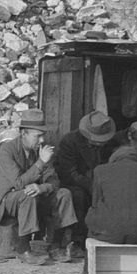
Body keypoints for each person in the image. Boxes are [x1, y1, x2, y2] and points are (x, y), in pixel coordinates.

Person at [0, 109, 78, 264]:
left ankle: (56, 246)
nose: (42, 140)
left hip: (33, 197)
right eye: (38, 136)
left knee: (64, 194)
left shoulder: (40, 151)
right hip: (6, 200)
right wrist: (41, 163)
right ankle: (24, 250)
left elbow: (55, 181)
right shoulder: (7, 150)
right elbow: (18, 184)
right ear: (24, 134)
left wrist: (41, 188)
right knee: (27, 195)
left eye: (43, 136)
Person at [55, 110, 117, 257]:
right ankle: (78, 241)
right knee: (79, 196)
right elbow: (70, 174)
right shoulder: (69, 142)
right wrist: (93, 187)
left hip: (99, 183)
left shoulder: (112, 142)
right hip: (75, 183)